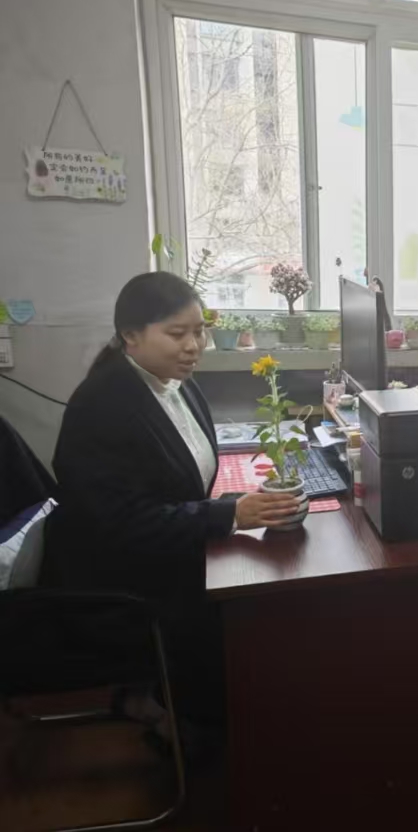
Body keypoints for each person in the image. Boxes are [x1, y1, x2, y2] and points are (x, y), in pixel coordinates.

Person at [46, 272, 300, 724]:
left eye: (199, 331)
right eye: (177, 333)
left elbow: (176, 487)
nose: (193, 346)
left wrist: (237, 505)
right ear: (131, 335)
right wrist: (229, 515)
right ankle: (195, 723)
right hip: (131, 579)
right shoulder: (102, 406)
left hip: (171, 549)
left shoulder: (175, 381)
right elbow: (123, 523)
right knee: (258, 605)